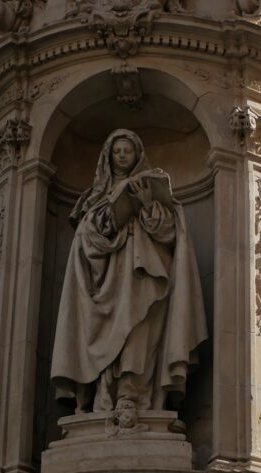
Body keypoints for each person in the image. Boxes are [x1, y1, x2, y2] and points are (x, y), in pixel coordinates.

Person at [51, 128, 207, 416]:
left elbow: (171, 235)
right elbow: (85, 239)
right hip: (105, 282)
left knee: (140, 336)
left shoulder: (153, 194)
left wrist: (147, 205)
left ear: (138, 155)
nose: (122, 156)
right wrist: (108, 219)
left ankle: (132, 397)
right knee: (107, 337)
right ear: (108, 157)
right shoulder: (94, 199)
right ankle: (103, 400)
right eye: (117, 151)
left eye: (128, 150)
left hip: (146, 278)